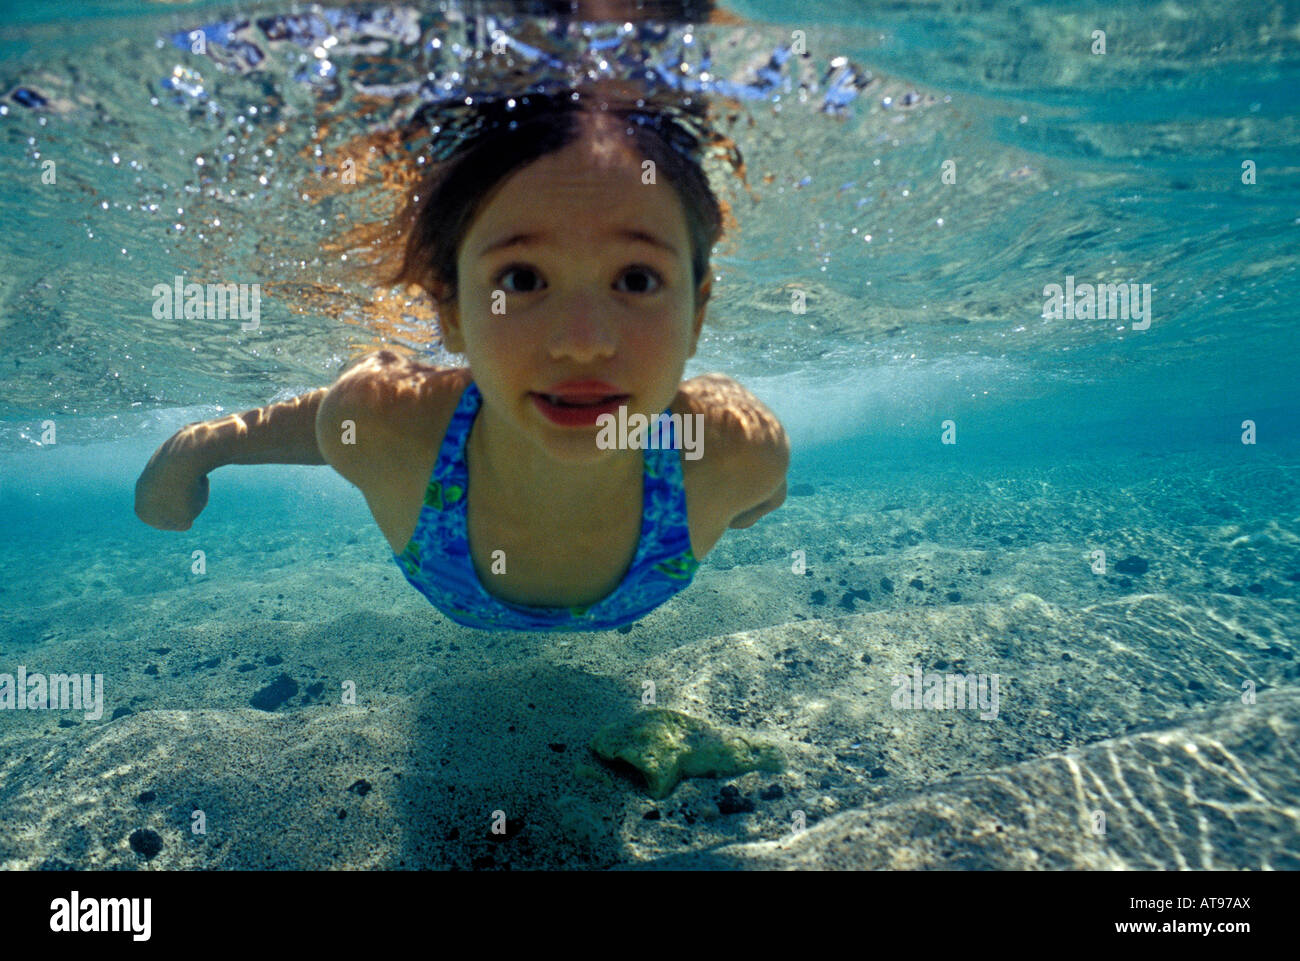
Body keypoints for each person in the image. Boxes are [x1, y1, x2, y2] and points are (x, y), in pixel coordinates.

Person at [135, 92, 788, 631]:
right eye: (523, 278)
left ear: (698, 313)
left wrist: (757, 494)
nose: (583, 341)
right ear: (448, 309)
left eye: (638, 279)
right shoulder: (388, 423)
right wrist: (194, 450)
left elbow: (761, 489)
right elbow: (326, 426)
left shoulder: (741, 456)